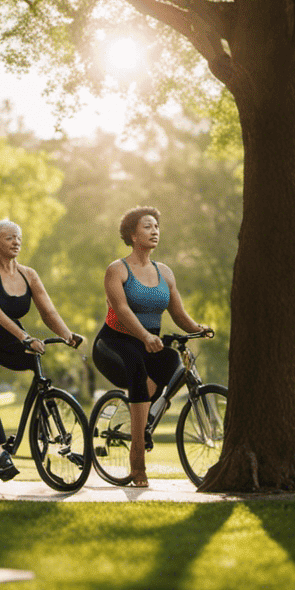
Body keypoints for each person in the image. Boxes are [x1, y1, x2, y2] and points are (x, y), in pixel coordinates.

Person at [91, 206, 211, 487]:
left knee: (173, 364)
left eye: (157, 226)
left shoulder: (165, 272)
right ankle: (137, 465)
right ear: (132, 235)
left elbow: (178, 314)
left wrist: (197, 329)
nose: (155, 230)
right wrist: (145, 336)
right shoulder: (116, 270)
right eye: (147, 226)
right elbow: (120, 310)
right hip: (114, 344)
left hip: (151, 344)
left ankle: (142, 420)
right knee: (137, 371)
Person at [0, 220, 84, 481]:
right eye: (9, 238)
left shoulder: (29, 274)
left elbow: (48, 310)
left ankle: (43, 426)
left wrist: (66, 334)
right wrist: (25, 337)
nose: (16, 241)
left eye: (18, 237)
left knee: (36, 366)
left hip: (10, 341)